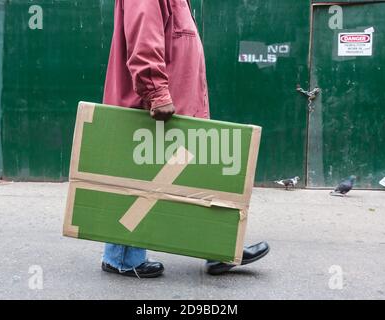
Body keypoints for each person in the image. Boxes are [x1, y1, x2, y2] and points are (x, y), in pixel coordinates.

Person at [101, 0, 270, 278]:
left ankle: (217, 251)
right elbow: (144, 36)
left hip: (179, 109)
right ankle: (122, 257)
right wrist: (156, 93)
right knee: (142, 182)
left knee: (191, 178)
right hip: (155, 110)